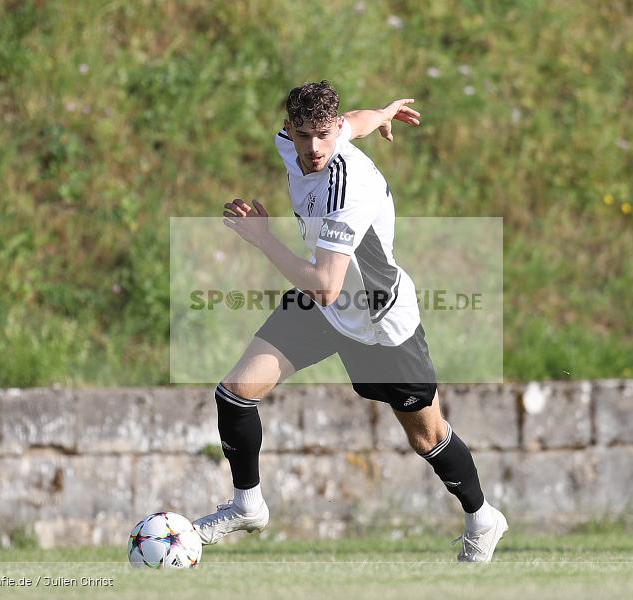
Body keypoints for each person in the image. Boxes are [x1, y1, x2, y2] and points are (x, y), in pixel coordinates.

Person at [193, 81, 507, 562]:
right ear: (289, 130)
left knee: (428, 436)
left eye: (323, 135)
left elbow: (324, 282)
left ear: (333, 131)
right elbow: (356, 121)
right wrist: (382, 113)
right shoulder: (299, 144)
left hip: (379, 323)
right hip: (324, 310)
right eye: (303, 136)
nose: (314, 148)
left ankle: (483, 518)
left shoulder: (347, 186)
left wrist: (262, 237)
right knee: (235, 392)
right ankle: (246, 505)